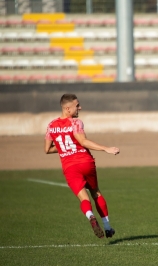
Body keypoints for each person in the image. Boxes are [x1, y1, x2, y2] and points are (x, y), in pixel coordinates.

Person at [44, 94, 120, 238]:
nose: (80, 107)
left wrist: (64, 147)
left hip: (69, 167)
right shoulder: (76, 123)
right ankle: (108, 227)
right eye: (77, 105)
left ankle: (90, 216)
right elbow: (83, 141)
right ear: (67, 108)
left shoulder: (51, 125)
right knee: (96, 193)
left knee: (84, 199)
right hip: (85, 162)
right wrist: (106, 148)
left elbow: (47, 149)